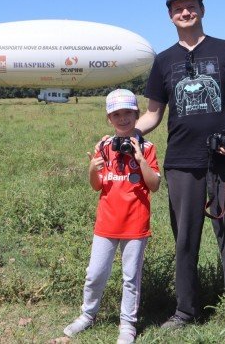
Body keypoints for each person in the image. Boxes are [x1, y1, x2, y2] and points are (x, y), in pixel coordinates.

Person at [135, 0, 225, 329]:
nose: (185, 13)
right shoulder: (163, 60)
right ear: (170, 15)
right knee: (185, 238)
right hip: (181, 162)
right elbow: (153, 113)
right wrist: (129, 133)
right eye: (178, 9)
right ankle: (185, 312)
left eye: (191, 7)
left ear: (202, 11)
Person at [63, 89, 161, 344]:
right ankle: (87, 315)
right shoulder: (104, 146)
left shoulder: (148, 148)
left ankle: (127, 325)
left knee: (131, 278)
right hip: (106, 223)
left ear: (136, 114)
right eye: (116, 114)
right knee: (95, 273)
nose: (122, 119)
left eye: (127, 113)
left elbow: (154, 185)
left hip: (135, 224)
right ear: (109, 118)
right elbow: (97, 186)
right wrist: (91, 169)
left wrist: (141, 161)